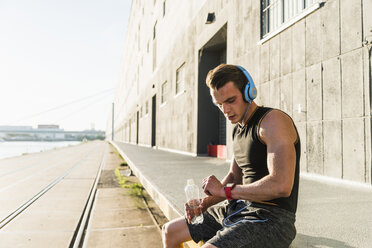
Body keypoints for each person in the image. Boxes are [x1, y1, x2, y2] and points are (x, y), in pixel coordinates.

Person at [162, 64, 300, 248]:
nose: (225, 110)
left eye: (231, 100)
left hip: (271, 219)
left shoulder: (272, 121)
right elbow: (235, 176)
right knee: (170, 231)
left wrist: (226, 192)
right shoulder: (238, 130)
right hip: (239, 209)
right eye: (219, 104)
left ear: (249, 92)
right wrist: (206, 203)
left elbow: (281, 185)